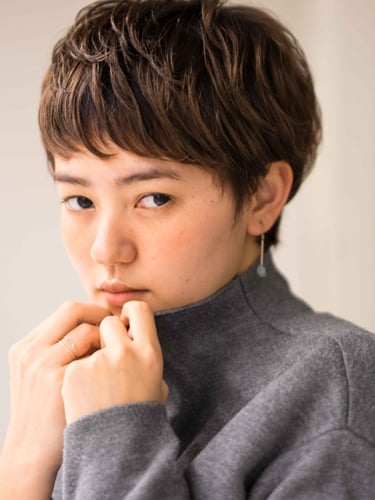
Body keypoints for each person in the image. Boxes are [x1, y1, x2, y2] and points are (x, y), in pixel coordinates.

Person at [1, 0, 375, 498]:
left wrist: (116, 430)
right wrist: (24, 458)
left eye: (153, 198)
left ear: (263, 197)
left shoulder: (335, 381)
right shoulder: (68, 377)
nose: (105, 249)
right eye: (79, 199)